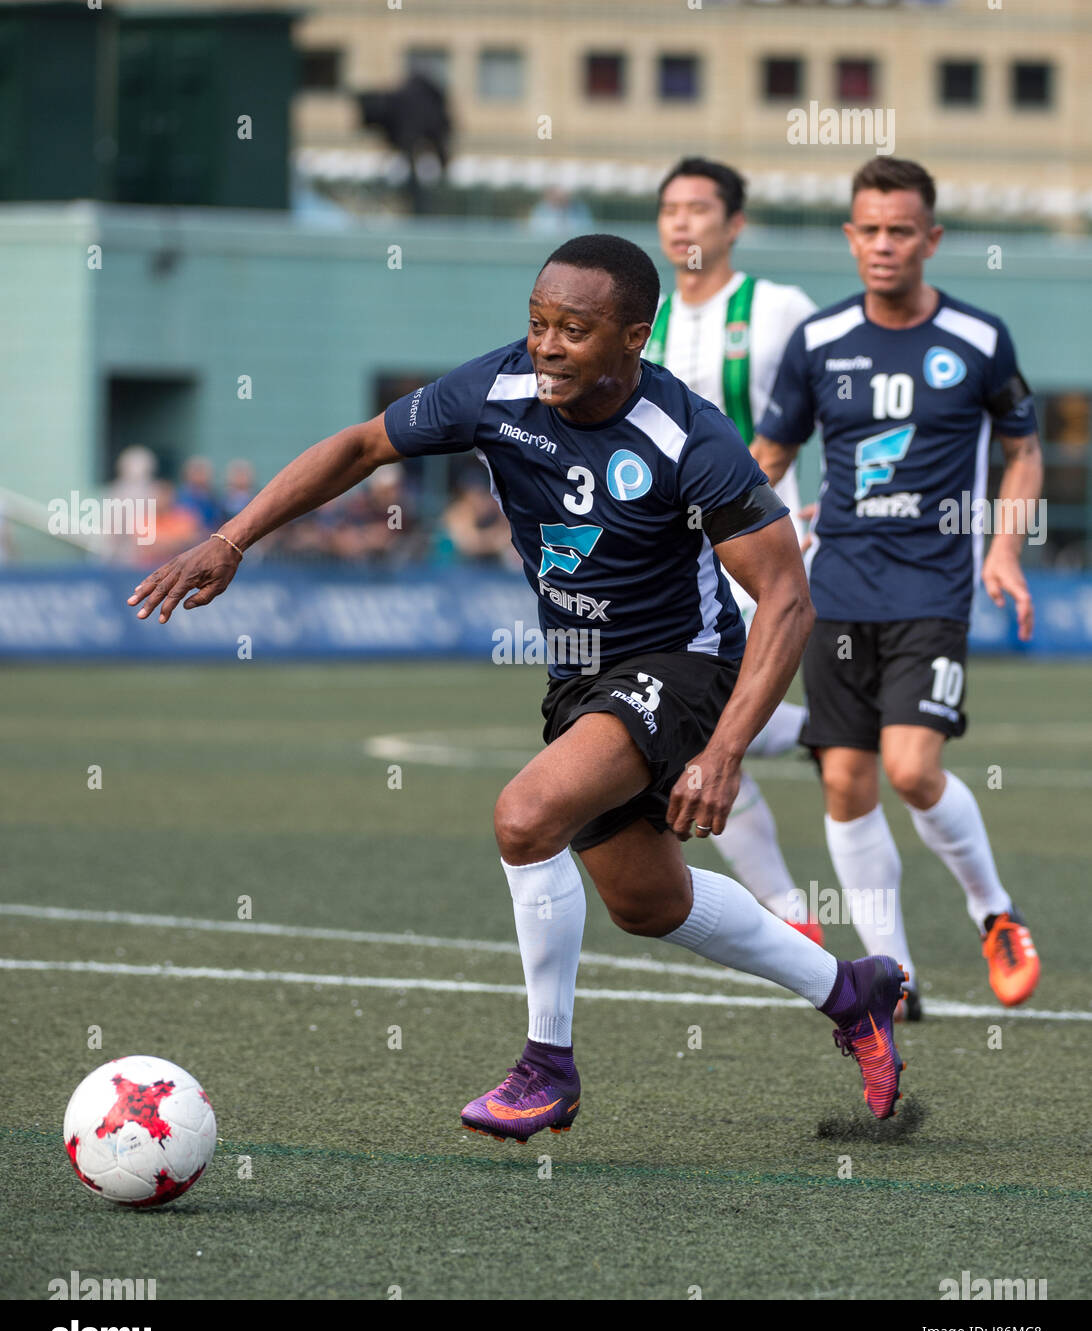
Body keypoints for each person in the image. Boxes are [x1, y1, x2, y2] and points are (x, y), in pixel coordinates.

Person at [128, 234, 910, 1138]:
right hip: (579, 677)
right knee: (649, 902)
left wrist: (727, 749)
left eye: (574, 330)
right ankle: (853, 993)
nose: (546, 345)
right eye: (538, 323)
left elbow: (786, 597)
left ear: (634, 337)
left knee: (525, 815)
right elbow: (358, 447)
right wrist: (231, 539)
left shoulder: (686, 435)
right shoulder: (495, 389)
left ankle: (547, 1069)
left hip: (683, 667)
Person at [751, 157, 1043, 1018]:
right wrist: (750, 534)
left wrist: (1004, 549)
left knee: (912, 769)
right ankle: (894, 975)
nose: (884, 245)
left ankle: (993, 911)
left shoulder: (980, 341)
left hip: (931, 591)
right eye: (869, 230)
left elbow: (1024, 448)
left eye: (901, 231)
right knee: (845, 778)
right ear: (851, 238)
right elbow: (770, 457)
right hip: (833, 591)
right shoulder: (818, 343)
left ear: (932, 239)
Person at [650, 157, 821, 941]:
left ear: (734, 223)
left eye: (699, 208)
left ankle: (789, 914)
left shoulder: (776, 307)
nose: (682, 222)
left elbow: (832, 396)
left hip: (760, 543)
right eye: (670, 209)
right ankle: (792, 913)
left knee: (713, 717)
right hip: (669, 556)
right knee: (714, 733)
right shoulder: (641, 318)